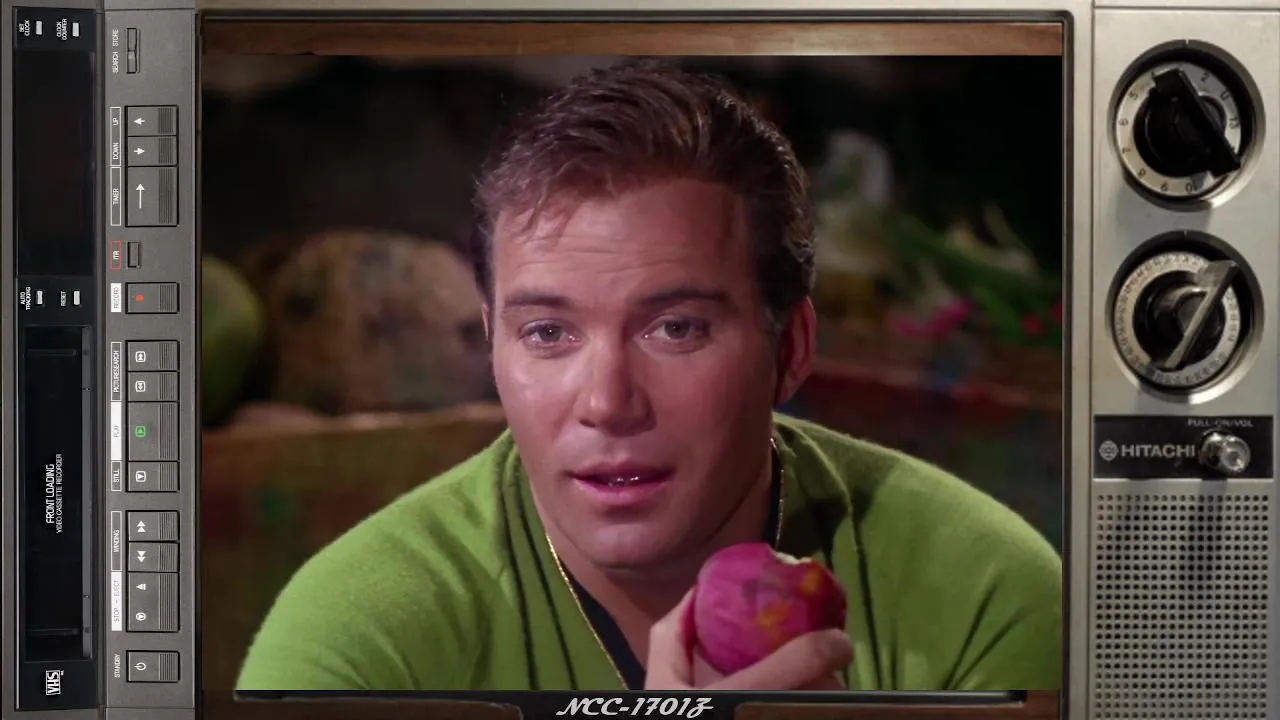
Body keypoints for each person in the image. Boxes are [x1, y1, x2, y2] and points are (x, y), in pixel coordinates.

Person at [236, 60, 1062, 692]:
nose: (607, 403)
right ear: (492, 347)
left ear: (790, 348)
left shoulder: (985, 596)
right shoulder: (355, 641)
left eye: (677, 328)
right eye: (548, 333)